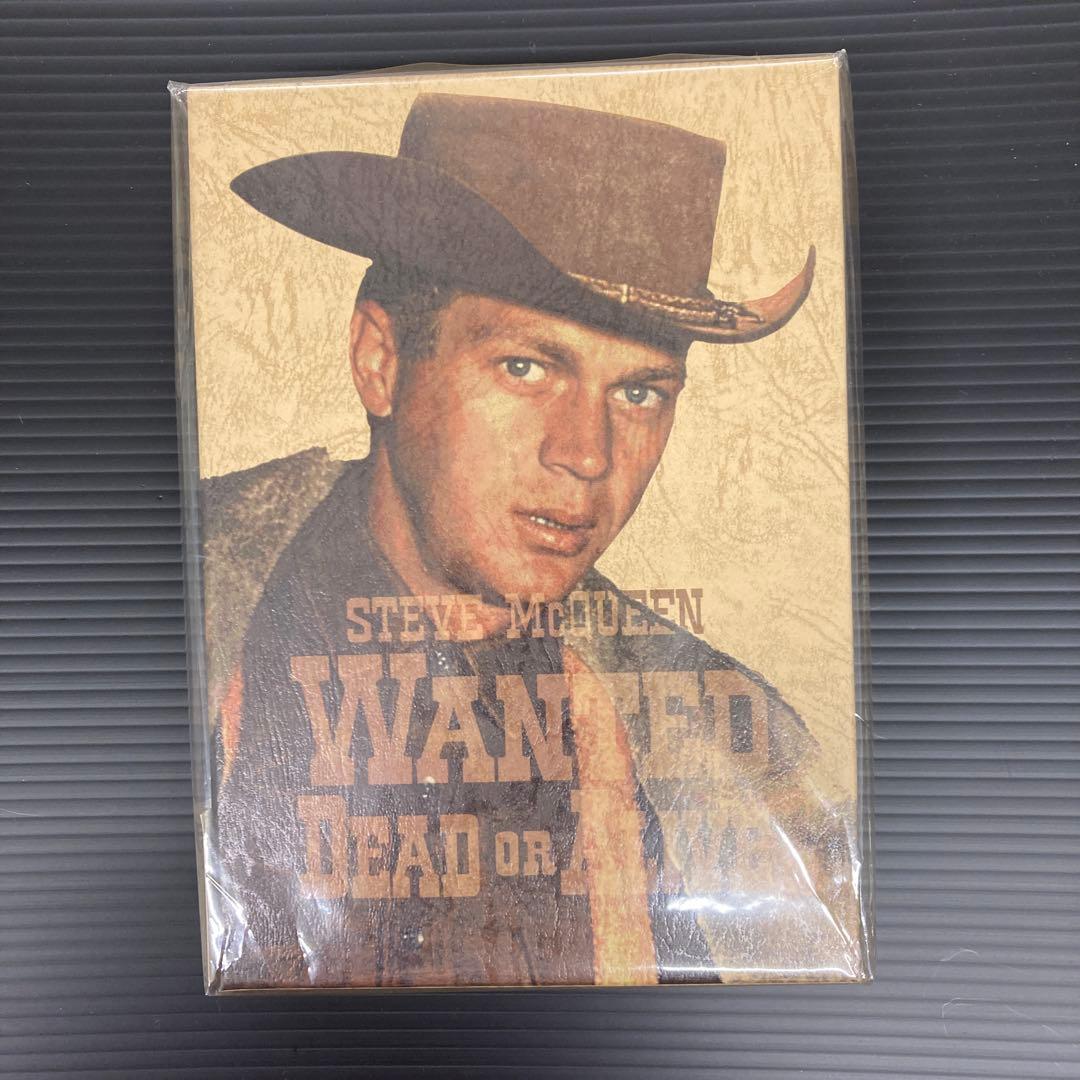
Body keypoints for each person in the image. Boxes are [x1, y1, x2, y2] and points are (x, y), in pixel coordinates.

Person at [200, 93, 859, 990]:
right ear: (380, 361)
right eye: (525, 366)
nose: (586, 454)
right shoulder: (178, 610)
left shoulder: (726, 745)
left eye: (640, 393)